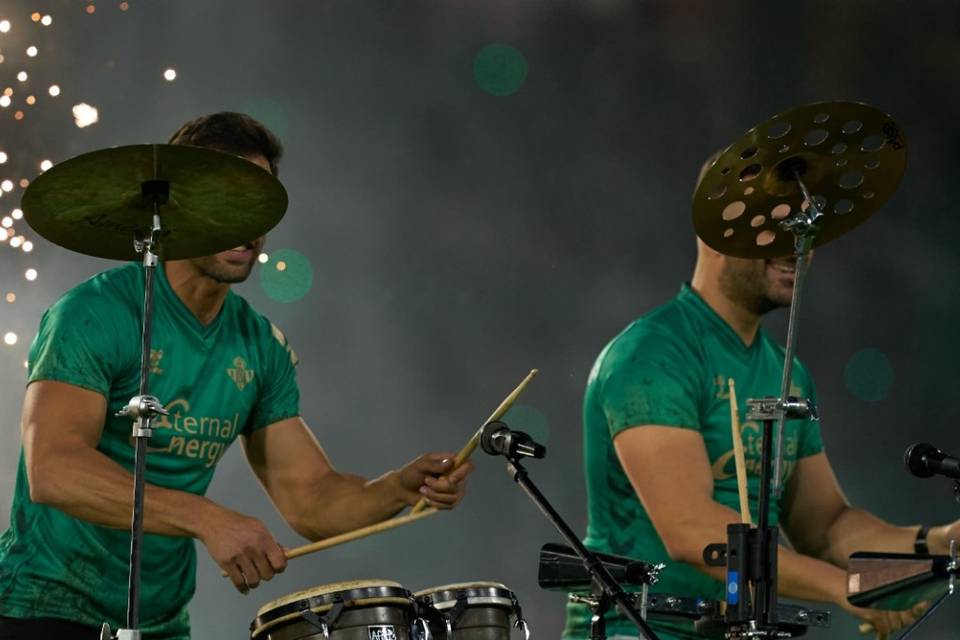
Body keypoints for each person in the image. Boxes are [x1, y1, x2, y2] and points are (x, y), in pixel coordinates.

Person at [0, 112, 474, 640]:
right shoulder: (92, 313)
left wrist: (398, 488)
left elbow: (312, 499)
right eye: (229, 197)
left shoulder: (260, 346)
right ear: (176, 203)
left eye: (260, 200)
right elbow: (54, 470)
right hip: (42, 611)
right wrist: (207, 518)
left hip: (162, 625)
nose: (248, 223)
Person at [564, 153, 957, 640]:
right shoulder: (651, 355)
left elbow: (827, 527)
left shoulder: (787, 374)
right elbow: (691, 531)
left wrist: (939, 542)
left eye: (801, 228)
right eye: (772, 227)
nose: (797, 247)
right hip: (635, 631)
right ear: (712, 230)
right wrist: (846, 587)